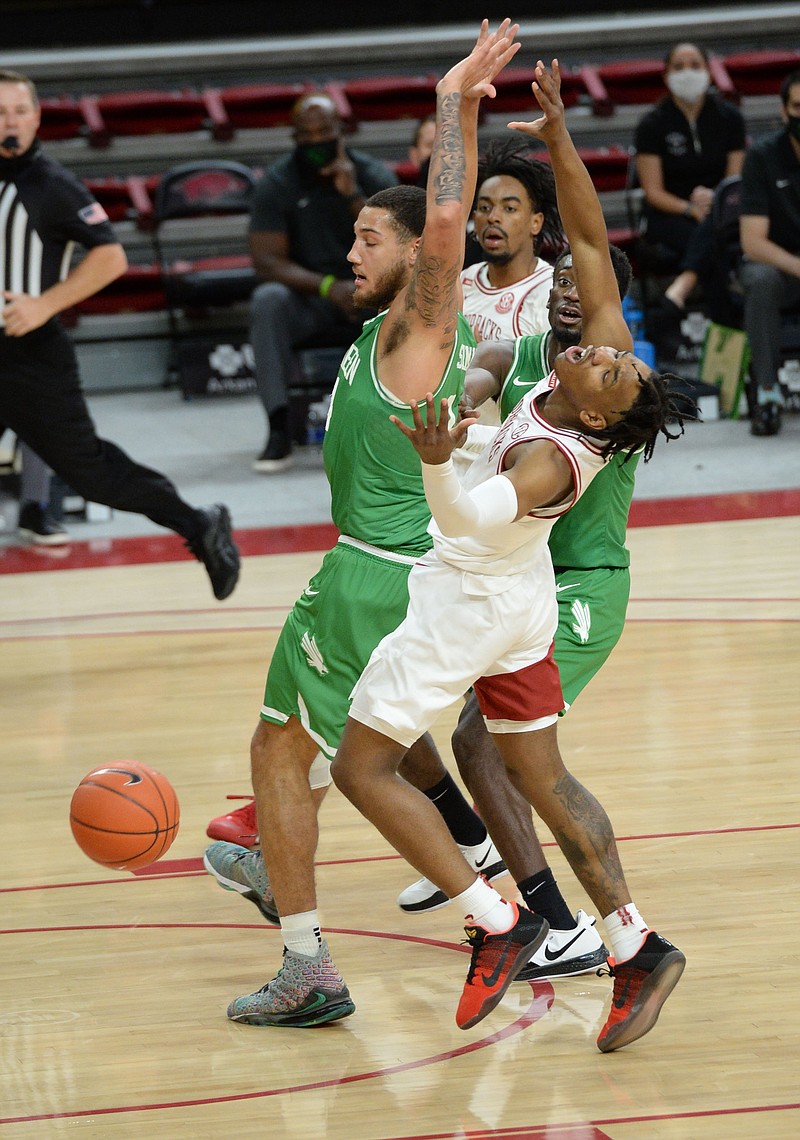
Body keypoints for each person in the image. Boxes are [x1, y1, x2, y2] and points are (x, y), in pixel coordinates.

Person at [330, 59, 691, 1053]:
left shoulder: (570, 439)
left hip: (563, 582)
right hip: (519, 580)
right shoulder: (567, 352)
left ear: (611, 400)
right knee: (485, 751)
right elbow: (581, 243)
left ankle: (534, 918)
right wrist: (561, 133)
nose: (593, 334)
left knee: (470, 749)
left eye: (609, 353)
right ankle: (616, 938)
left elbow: (480, 511)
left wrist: (443, 458)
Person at [203, 20, 522, 1028]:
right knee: (337, 755)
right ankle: (507, 896)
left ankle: (368, 947)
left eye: (365, 239)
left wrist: (449, 104)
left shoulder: (418, 321)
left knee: (295, 758)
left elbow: (442, 222)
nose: (350, 252)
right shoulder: (411, 338)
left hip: (372, 575)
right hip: (389, 571)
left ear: (412, 259)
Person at [396, 242, 637, 988]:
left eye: (582, 282)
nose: (569, 290)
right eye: (557, 279)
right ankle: (477, 851)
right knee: (399, 711)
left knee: (486, 744)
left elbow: (473, 512)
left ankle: (562, 925)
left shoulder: (613, 374)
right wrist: (464, 403)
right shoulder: (524, 352)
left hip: (580, 586)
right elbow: (481, 375)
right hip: (513, 577)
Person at [0, 71, 239, 599]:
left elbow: (110, 258)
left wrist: (45, 304)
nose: (10, 122)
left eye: (19, 111)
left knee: (91, 474)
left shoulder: (52, 185)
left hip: (29, 357)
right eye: (0, 112)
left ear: (37, 117)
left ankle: (198, 523)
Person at [248, 90, 398, 473]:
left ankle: (396, 427)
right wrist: (329, 287)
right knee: (268, 300)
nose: (316, 142)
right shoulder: (278, 183)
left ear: (341, 131)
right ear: (294, 137)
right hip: (315, 295)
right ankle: (278, 428)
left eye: (324, 132)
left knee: (410, 295)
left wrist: (353, 197)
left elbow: (400, 245)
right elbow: (266, 261)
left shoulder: (373, 176)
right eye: (306, 134)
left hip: (375, 292)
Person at [633, 43, 746, 323]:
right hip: (670, 214)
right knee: (715, 247)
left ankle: (682, 286)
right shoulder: (652, 124)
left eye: (695, 65)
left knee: (715, 232)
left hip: (721, 208)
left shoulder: (730, 118)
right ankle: (729, 332)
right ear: (666, 75)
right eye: (679, 67)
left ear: (708, 72)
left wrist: (713, 202)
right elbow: (653, 192)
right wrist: (689, 208)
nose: (687, 72)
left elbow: (734, 181)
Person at [739, 69, 800, 437]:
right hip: (779, 266)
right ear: (784, 110)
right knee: (759, 279)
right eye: (798, 107)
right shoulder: (763, 157)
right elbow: (752, 242)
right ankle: (767, 393)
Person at [461, 136, 562, 345]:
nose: (493, 217)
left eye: (509, 208)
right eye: (484, 207)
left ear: (536, 222)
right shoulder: (462, 282)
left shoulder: (550, 293)